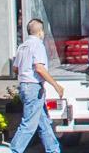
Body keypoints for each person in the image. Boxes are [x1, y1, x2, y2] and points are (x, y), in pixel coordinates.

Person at [9, 19, 64, 153]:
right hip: (34, 87)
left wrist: (26, 72)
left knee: (43, 122)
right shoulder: (38, 45)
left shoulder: (22, 46)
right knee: (29, 125)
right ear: (40, 32)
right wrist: (56, 85)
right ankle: (14, 150)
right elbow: (39, 68)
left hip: (24, 86)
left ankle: (53, 149)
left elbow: (15, 68)